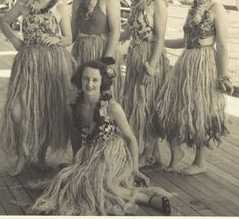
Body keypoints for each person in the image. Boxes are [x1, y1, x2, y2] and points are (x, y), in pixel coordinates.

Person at [29, 59, 172, 216]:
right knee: (74, 182)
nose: (90, 84)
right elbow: (75, 139)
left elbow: (131, 139)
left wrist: (135, 169)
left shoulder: (112, 107)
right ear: (80, 79)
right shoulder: (74, 107)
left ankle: (147, 199)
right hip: (90, 153)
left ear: (102, 82)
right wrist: (77, 163)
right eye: (86, 79)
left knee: (100, 183)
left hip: (112, 153)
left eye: (95, 80)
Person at [0, 0, 77, 176]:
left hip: (52, 65)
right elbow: (3, 22)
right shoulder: (24, 3)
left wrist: (57, 40)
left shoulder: (60, 6)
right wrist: (15, 41)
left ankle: (41, 155)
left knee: (46, 110)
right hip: (27, 62)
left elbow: (69, 37)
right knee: (17, 111)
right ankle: (23, 153)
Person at [155, 0, 233, 175]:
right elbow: (187, 41)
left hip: (205, 63)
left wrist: (223, 75)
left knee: (202, 111)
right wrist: (162, 43)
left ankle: (200, 162)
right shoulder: (192, 9)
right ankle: (176, 153)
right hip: (186, 62)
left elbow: (223, 44)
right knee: (171, 106)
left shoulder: (218, 8)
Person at [121, 0, 170, 166]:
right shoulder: (137, 1)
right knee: (135, 103)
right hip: (135, 56)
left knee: (147, 104)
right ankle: (153, 153)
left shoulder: (158, 3)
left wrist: (152, 65)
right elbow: (129, 31)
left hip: (150, 56)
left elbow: (159, 37)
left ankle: (148, 153)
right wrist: (111, 36)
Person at [71, 0, 122, 100]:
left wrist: (106, 61)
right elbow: (73, 34)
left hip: (102, 53)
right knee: (82, 94)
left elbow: (115, 30)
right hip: (81, 52)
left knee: (103, 96)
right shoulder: (76, 1)